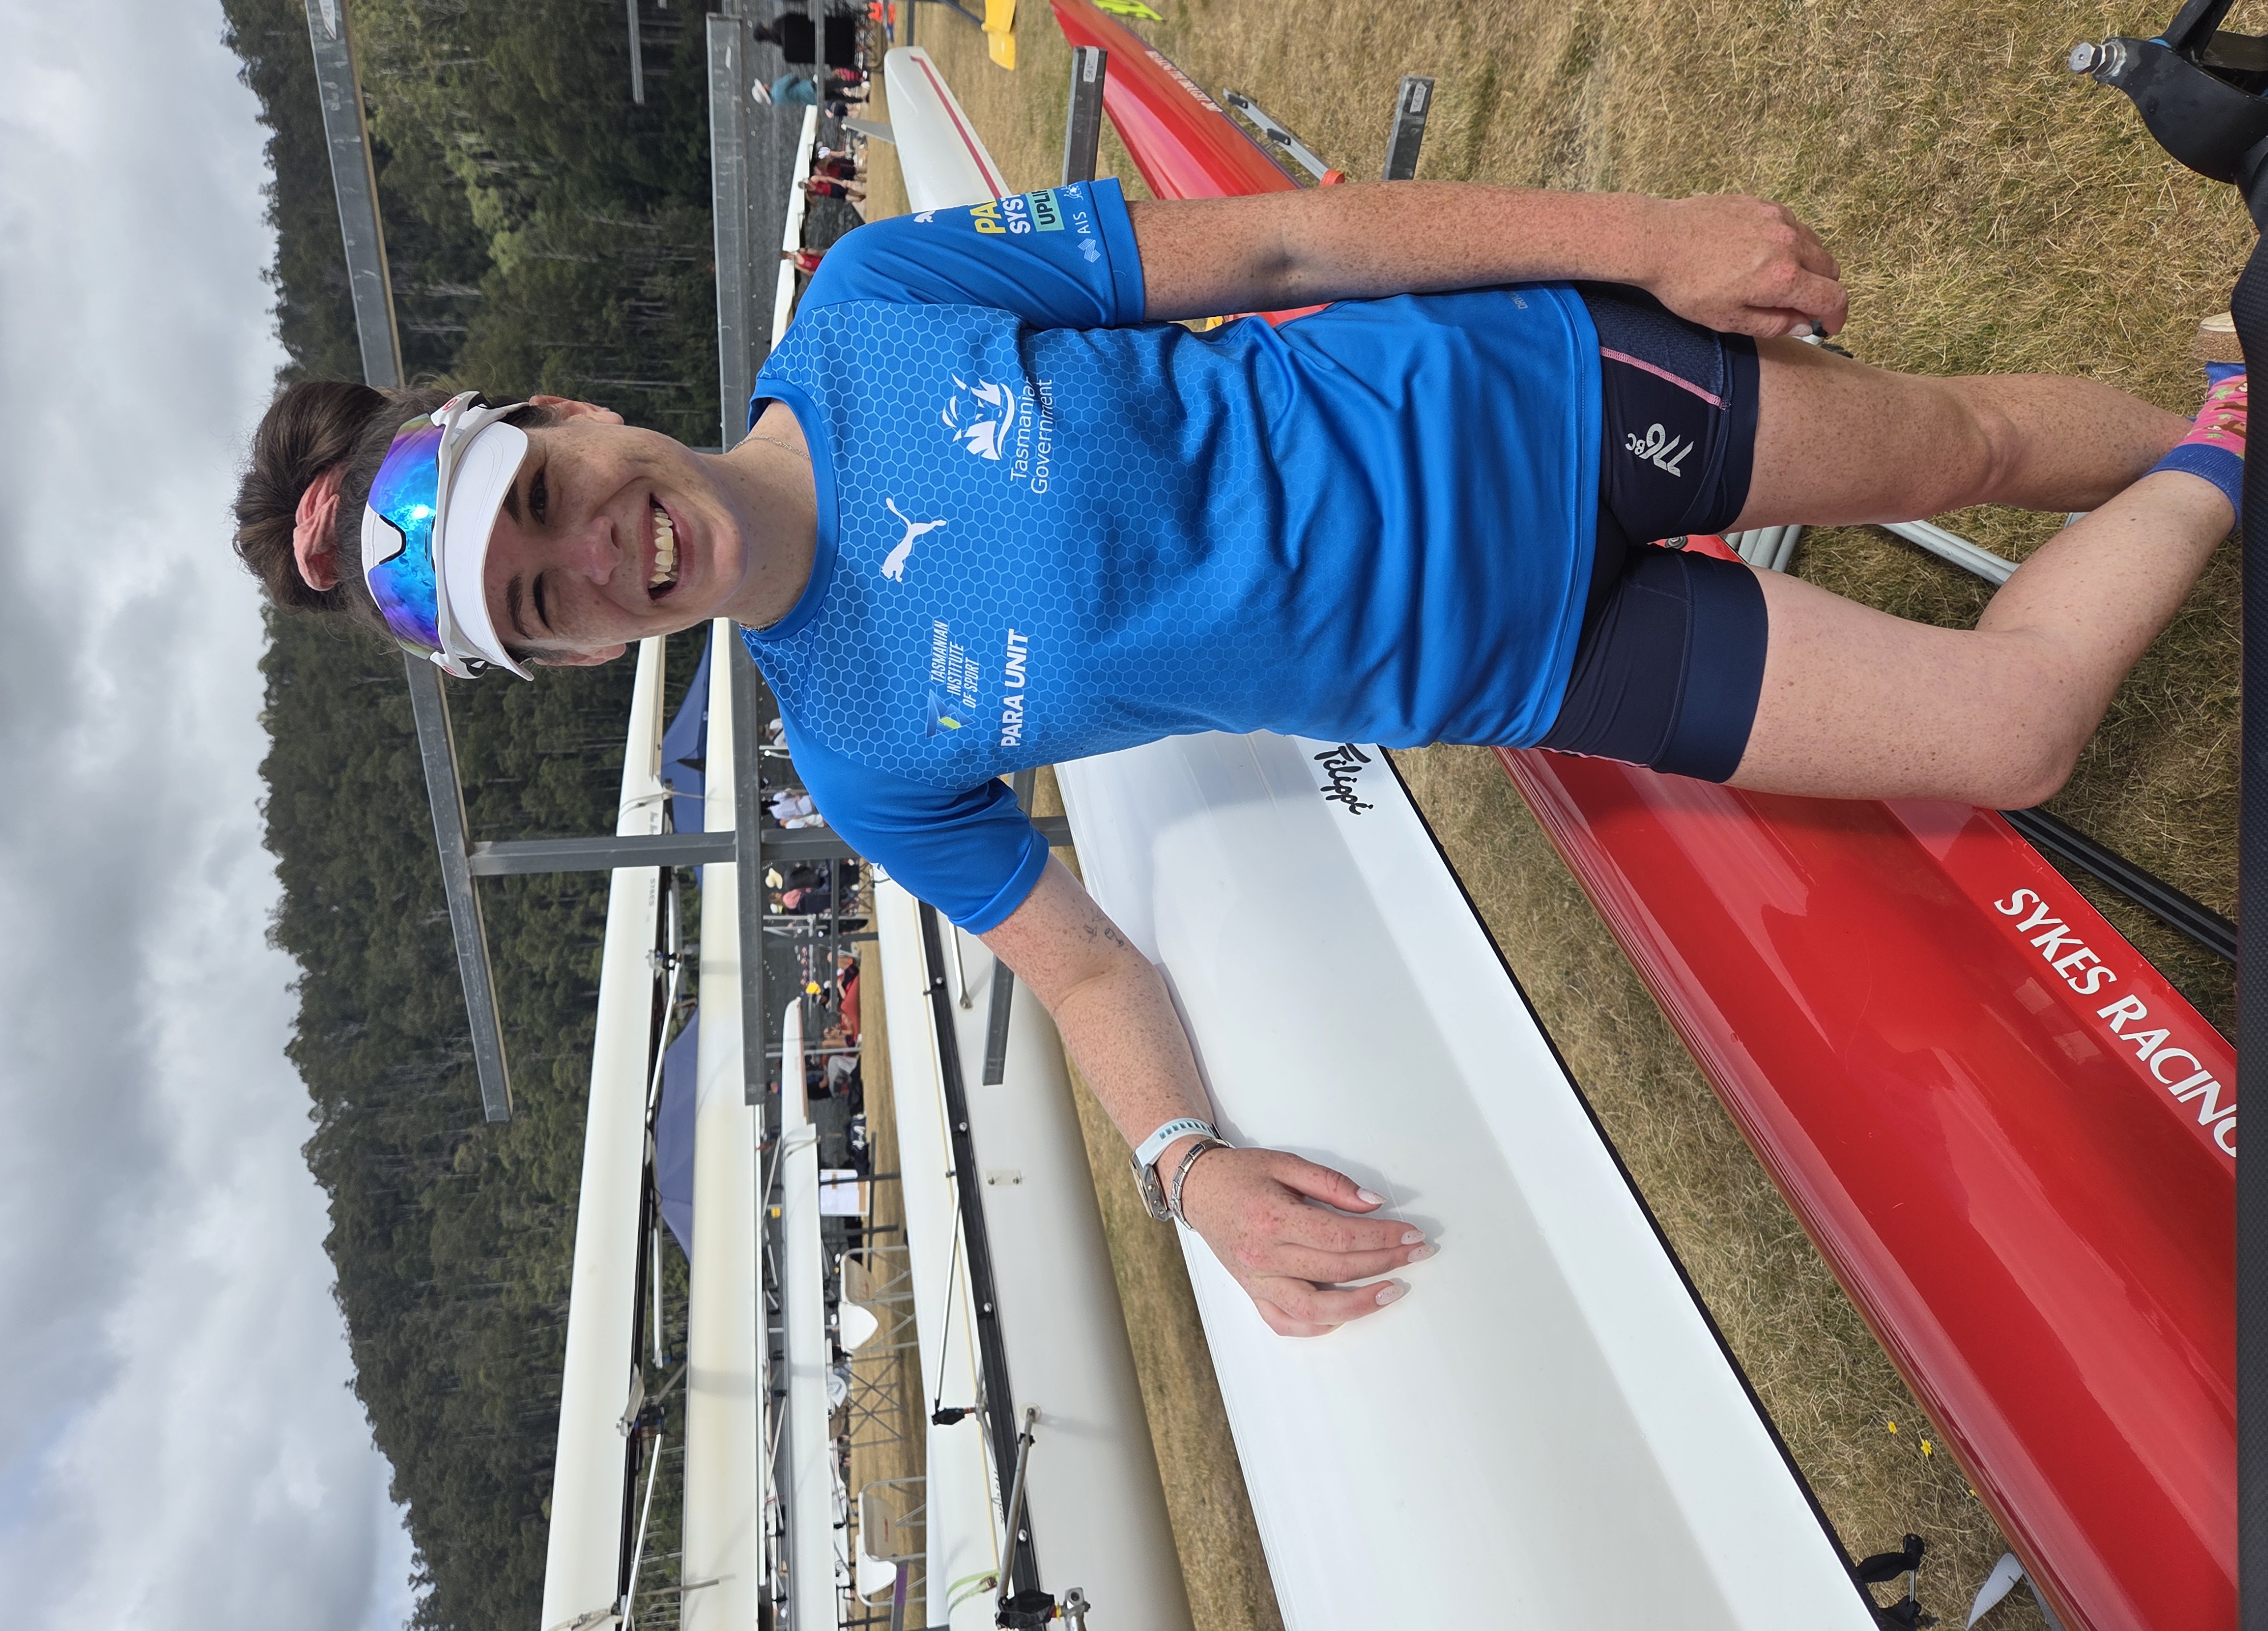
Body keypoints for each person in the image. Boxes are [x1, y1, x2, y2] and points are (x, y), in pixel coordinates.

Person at [232, 178, 2241, 1339]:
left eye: (552, 499)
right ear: (579, 655)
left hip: (1537, 398)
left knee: (1966, 448)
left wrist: (1650, 234)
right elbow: (1086, 965)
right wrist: (1187, 1171)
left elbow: (1280, 248)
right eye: (553, 597)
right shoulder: (852, 756)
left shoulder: (875, 303)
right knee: (2010, 728)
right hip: (1536, 653)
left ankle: (2206, 403)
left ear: (574, 415)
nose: (600, 551)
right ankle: (2232, 431)